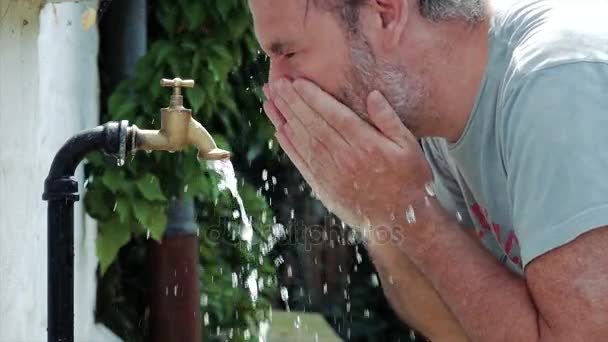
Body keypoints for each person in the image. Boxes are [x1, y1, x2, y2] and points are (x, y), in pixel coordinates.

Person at [249, 0, 608, 340]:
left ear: (385, 14)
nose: (276, 84)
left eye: (288, 53)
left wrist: (410, 210)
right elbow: (458, 329)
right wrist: (377, 213)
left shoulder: (556, 85)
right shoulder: (437, 113)